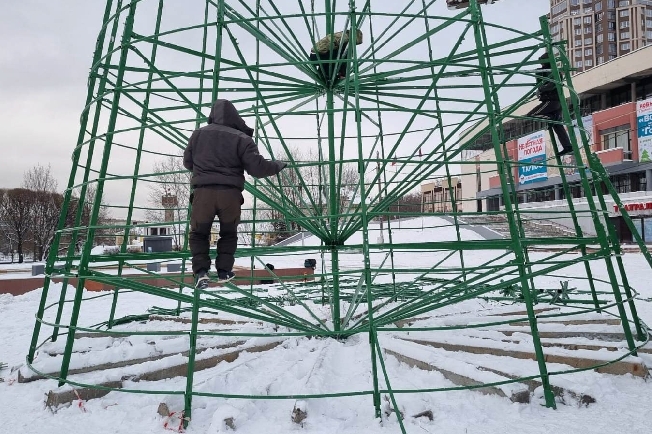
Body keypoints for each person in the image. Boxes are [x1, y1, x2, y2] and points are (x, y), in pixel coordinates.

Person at [183, 99, 287, 289]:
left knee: (198, 234)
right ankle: (224, 271)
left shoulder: (198, 134)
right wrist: (278, 165)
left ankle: (201, 272)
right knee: (229, 234)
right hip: (229, 195)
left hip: (203, 194)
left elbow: (188, 163)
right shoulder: (242, 138)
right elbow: (258, 168)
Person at [526, 51, 573, 156]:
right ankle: (568, 146)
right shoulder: (548, 71)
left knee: (531, 115)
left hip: (551, 101)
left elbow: (551, 85)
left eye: (542, 62)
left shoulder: (554, 72)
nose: (541, 65)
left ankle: (552, 117)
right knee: (558, 126)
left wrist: (541, 89)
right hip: (556, 101)